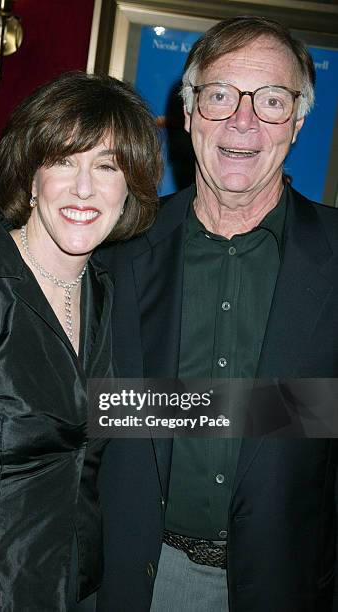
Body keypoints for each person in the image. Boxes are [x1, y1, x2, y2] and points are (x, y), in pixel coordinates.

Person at [96, 15, 338, 612]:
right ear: (187, 113)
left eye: (272, 101)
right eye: (221, 95)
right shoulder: (116, 252)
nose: (242, 121)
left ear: (298, 124)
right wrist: (298, 406)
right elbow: (88, 410)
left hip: (292, 585)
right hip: (140, 579)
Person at [0, 72, 161, 611]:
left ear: (129, 187)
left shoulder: (108, 298)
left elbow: (139, 413)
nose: (84, 188)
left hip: (78, 593)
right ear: (30, 179)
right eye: (63, 161)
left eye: (106, 166)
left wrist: (306, 409)